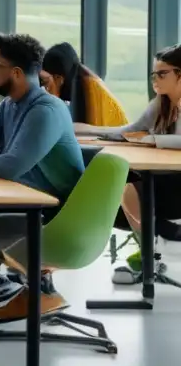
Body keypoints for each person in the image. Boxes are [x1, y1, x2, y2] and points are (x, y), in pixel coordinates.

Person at [0, 34, 86, 315]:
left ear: (16, 73)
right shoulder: (9, 104)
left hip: (53, 215)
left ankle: (39, 290)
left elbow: (13, 165)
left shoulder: (46, 110)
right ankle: (8, 283)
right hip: (24, 202)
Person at [75, 44, 181, 283]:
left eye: (162, 74)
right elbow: (130, 131)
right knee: (117, 185)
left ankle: (154, 250)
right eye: (154, 74)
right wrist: (88, 131)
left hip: (178, 184)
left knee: (128, 189)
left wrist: (153, 139)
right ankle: (154, 250)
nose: (156, 79)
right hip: (163, 179)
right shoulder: (160, 104)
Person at [40, 42, 128, 127]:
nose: (44, 88)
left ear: (59, 79)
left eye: (45, 82)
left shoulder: (90, 96)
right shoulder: (85, 85)